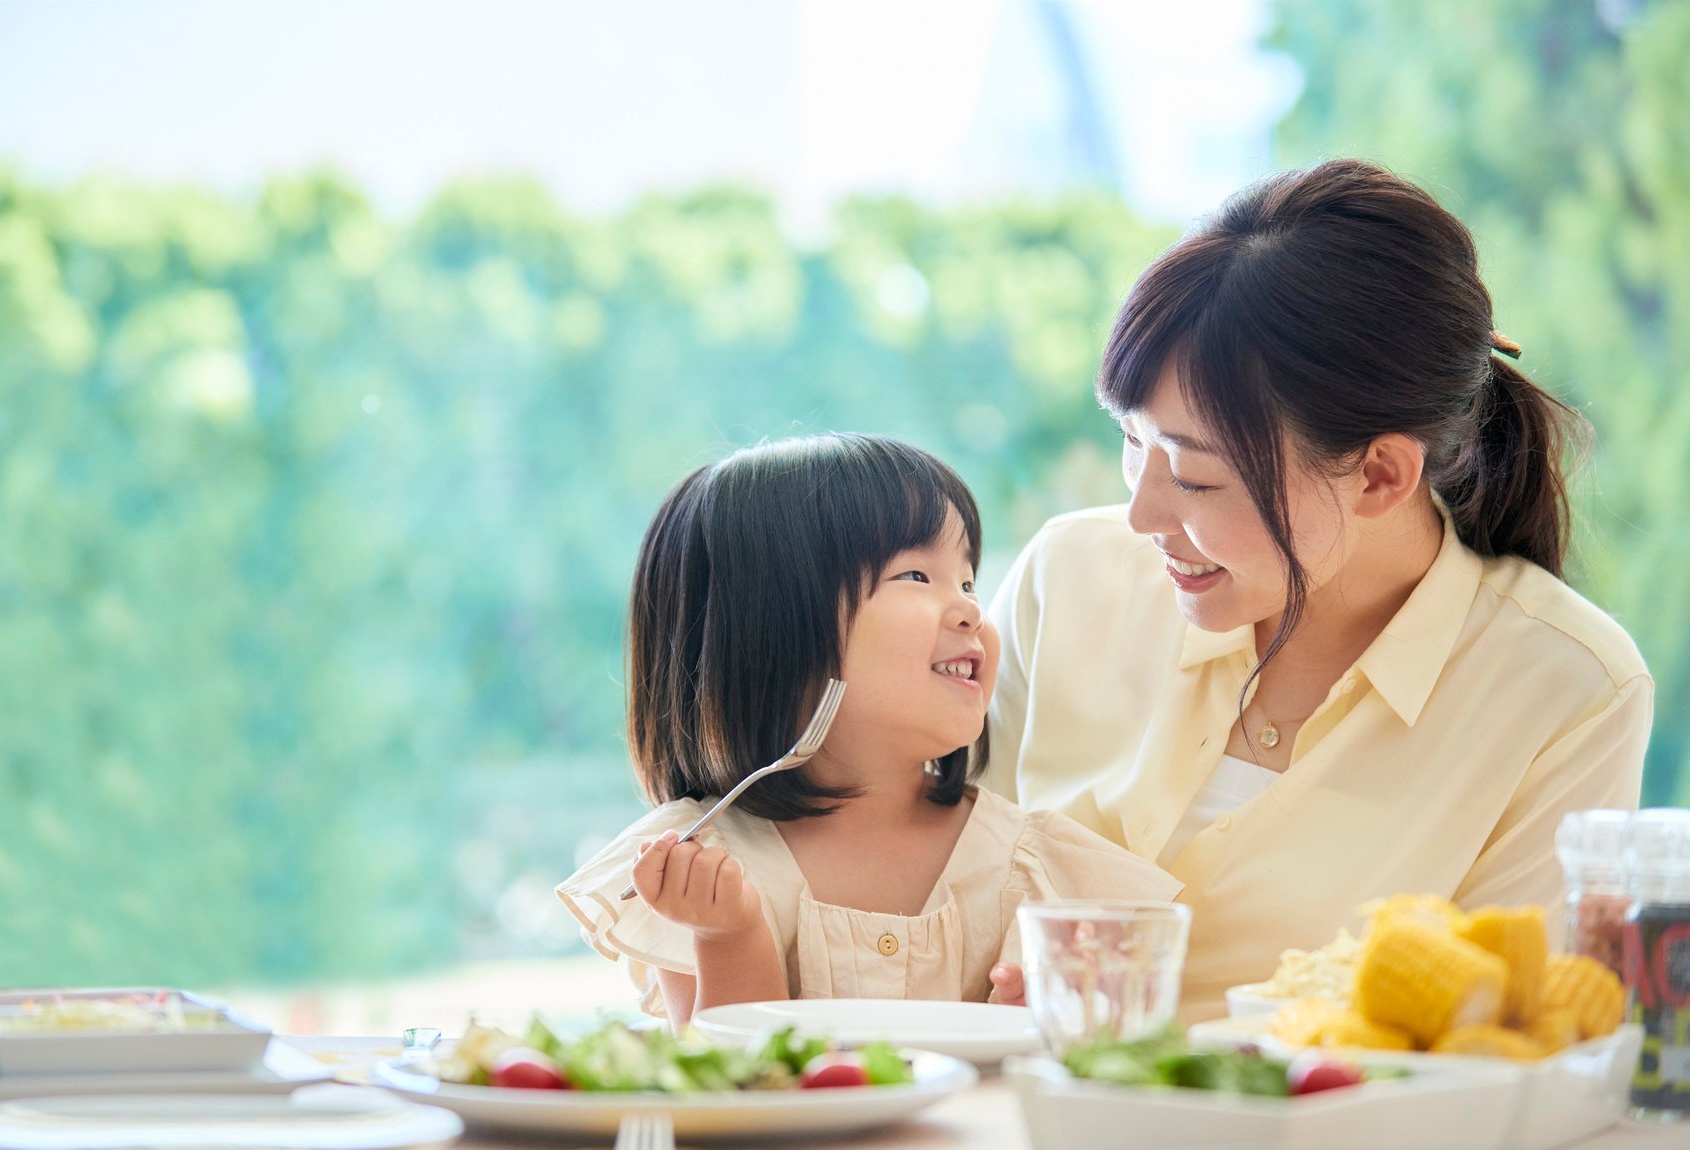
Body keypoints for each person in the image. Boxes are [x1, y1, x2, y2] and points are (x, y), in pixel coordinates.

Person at [982, 159, 1653, 1024]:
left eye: (1195, 477)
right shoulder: (1069, 578)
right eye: (1131, 441)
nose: (1142, 514)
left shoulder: (1566, 691)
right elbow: (924, 877)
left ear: (1379, 475)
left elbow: (1498, 1048)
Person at [557, 433, 1181, 1030]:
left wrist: (1040, 1029)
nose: (970, 609)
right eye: (916, 577)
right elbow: (727, 1090)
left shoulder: (1036, 870)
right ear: (770, 635)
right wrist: (730, 937)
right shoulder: (705, 865)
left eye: (966, 579)